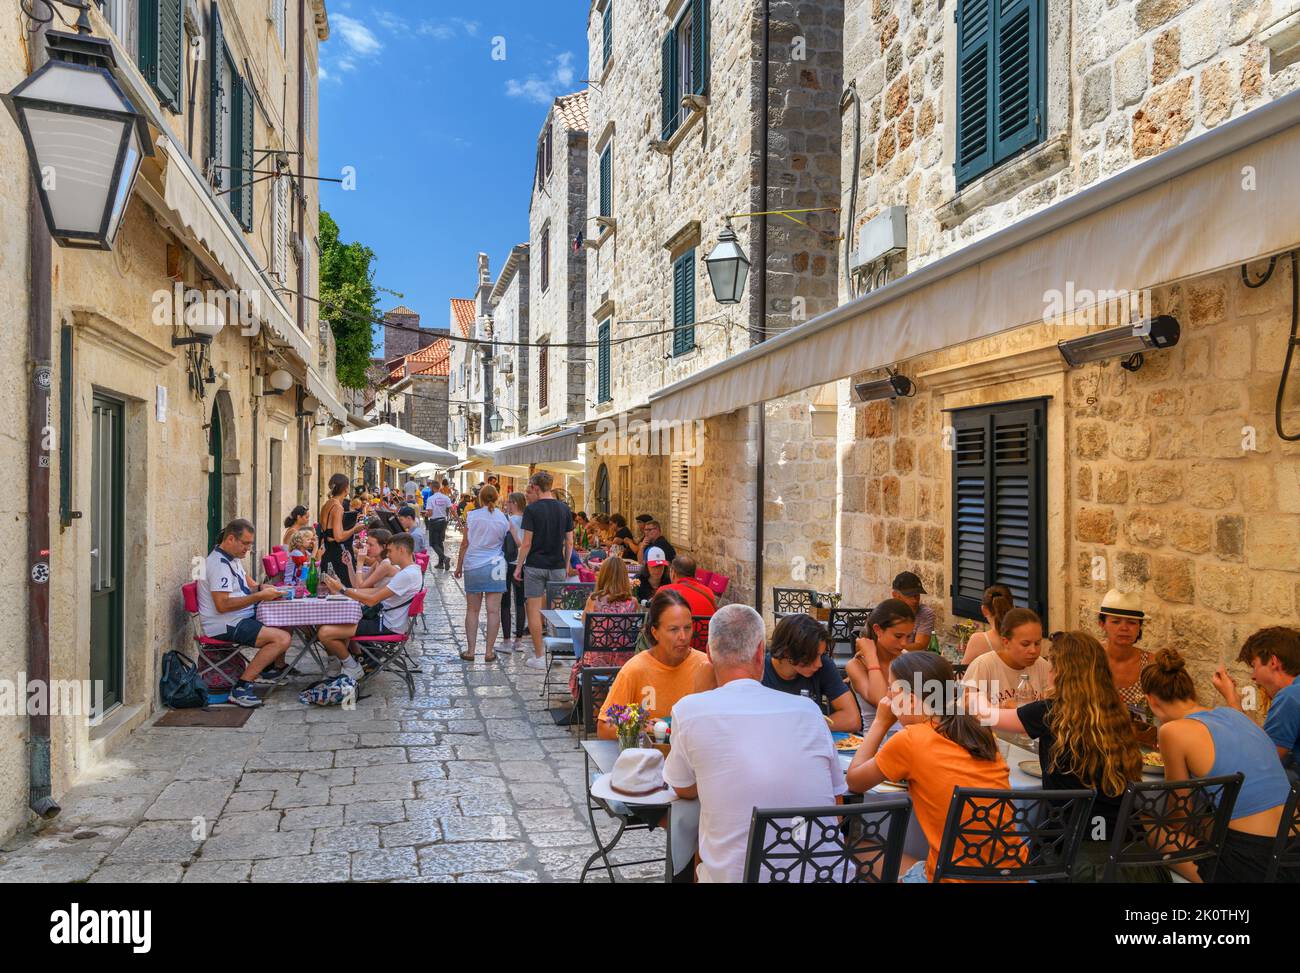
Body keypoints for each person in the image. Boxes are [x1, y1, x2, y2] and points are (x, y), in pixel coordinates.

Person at [664, 604, 847, 882]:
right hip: (824, 875)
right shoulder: (810, 712)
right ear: (761, 651)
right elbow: (836, 803)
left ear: (710, 654)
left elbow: (685, 788)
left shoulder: (689, 711)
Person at [981, 632, 1153, 882]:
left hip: (1069, 853)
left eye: (1051, 666)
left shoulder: (1050, 713)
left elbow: (988, 715)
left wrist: (971, 696)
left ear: (1061, 672)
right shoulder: (1117, 713)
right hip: (1126, 850)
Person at [846, 652, 1013, 883]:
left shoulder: (911, 740)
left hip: (949, 879)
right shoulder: (979, 732)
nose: (887, 697)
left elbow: (854, 781)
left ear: (911, 700)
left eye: (892, 690)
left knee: (856, 845)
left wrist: (880, 722)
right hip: (1010, 873)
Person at [1143, 647, 1295, 882]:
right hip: (1292, 850)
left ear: (1151, 701)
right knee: (1209, 821)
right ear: (1191, 692)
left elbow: (1181, 814)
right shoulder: (1234, 715)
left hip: (1252, 863)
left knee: (1151, 827)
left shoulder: (1172, 731)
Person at [197, 519, 293, 708]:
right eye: (246, 543)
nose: (248, 548)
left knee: (287, 618)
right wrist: (259, 596)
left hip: (239, 615)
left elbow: (248, 585)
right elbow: (222, 606)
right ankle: (241, 687)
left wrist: (261, 587)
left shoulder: (232, 559)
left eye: (250, 544)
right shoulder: (218, 565)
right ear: (231, 539)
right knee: (281, 639)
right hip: (226, 623)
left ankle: (270, 669)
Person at [597, 590, 716, 739]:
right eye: (673, 629)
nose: (683, 637)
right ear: (655, 632)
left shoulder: (706, 666)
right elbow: (604, 727)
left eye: (687, 627)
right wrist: (640, 728)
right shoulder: (635, 670)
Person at [319, 533, 423, 679]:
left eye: (391, 551)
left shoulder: (406, 575)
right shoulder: (411, 571)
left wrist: (343, 589)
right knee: (337, 621)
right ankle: (354, 661)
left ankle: (352, 667)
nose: (388, 555)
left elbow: (372, 600)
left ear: (402, 551)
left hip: (386, 625)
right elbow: (374, 592)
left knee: (325, 632)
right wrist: (345, 590)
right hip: (387, 621)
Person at [1212, 626, 1300, 777]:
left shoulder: (1290, 696)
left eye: (1254, 666)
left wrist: (1232, 700)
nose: (1253, 676)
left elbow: (1261, 759)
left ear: (1273, 662)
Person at [514, 471, 575, 671]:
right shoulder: (564, 509)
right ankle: (558, 654)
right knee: (556, 612)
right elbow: (569, 541)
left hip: (535, 566)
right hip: (557, 565)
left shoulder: (532, 510)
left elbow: (526, 543)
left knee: (533, 610)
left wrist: (518, 567)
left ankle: (540, 655)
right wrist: (566, 564)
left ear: (536, 487)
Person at [763, 613, 861, 733]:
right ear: (788, 652)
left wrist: (805, 727)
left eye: (821, 655)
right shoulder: (758, 670)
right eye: (813, 656)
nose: (819, 663)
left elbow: (852, 720)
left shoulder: (824, 665)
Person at [569, 554, 641, 699]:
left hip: (596, 662)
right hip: (624, 661)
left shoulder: (594, 600)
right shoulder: (633, 603)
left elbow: (584, 623)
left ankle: (595, 708)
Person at [455, 484, 510, 663]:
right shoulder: (503, 519)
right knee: (493, 611)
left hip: (474, 564)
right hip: (496, 565)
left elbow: (465, 543)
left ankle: (471, 651)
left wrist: (458, 566)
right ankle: (488, 652)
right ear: (496, 498)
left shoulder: (472, 516)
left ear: (479, 498)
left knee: (472, 610)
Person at [845, 599, 915, 737]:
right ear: (878, 630)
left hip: (909, 740)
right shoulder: (856, 665)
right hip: (877, 745)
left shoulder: (907, 659)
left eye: (908, 637)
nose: (904, 643)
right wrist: (871, 657)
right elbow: (882, 701)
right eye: (898, 636)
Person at [962, 607, 1053, 707]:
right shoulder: (984, 666)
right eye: (1025, 644)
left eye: (1037, 643)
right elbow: (964, 710)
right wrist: (1001, 708)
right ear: (1006, 642)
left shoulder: (1042, 666)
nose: (1033, 651)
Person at [1097, 588, 1152, 707]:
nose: (1124, 628)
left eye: (1132, 622)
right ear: (1102, 624)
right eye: (1116, 622)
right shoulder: (1091, 659)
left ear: (1139, 627)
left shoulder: (1151, 664)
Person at [659, 555, 717, 650]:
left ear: (673, 573)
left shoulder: (665, 591)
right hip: (703, 646)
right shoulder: (708, 592)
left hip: (676, 647)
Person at [319, 473, 363, 587]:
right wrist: (354, 529)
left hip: (328, 552)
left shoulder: (327, 504)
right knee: (344, 589)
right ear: (345, 488)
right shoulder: (338, 507)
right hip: (337, 555)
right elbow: (338, 537)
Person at [961, 584, 1015, 664]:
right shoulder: (1022, 636)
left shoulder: (978, 640)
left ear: (984, 610)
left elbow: (963, 674)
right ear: (1013, 607)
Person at [501, 491, 528, 646]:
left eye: (508, 503)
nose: (507, 506)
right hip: (524, 563)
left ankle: (506, 639)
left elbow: (518, 543)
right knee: (520, 602)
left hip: (508, 563)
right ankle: (519, 639)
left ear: (515, 503)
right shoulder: (528, 520)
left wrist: (511, 530)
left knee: (505, 602)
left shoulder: (510, 521)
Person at [890, 571, 935, 652]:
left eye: (917, 595)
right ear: (895, 595)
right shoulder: (886, 611)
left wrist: (890, 648)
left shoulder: (925, 613)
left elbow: (921, 645)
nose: (915, 600)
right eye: (909, 595)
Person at [425, 480, 453, 570]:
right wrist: (459, 521)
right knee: (440, 542)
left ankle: (444, 558)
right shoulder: (446, 498)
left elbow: (430, 513)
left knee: (433, 543)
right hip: (443, 522)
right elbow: (452, 509)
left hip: (434, 522)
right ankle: (441, 564)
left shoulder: (431, 499)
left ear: (433, 488)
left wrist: (425, 514)